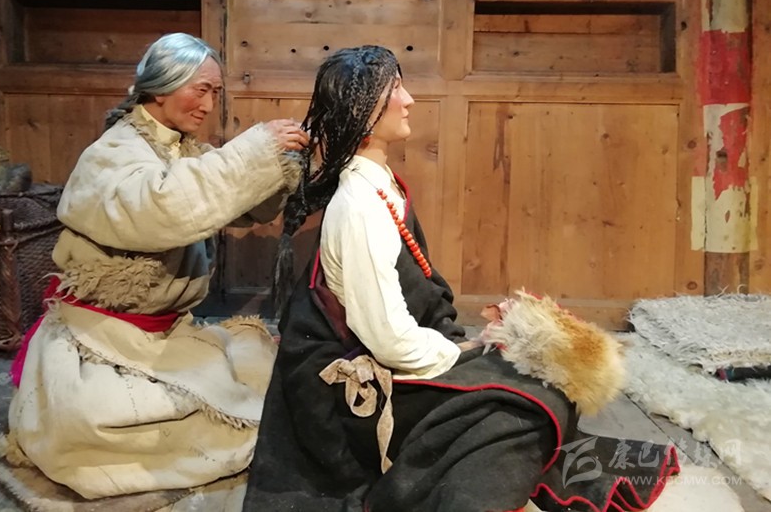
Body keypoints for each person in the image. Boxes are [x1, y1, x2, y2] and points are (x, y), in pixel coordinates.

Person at [243, 45, 679, 512]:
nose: (409, 100)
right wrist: (464, 351)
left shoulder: (380, 183)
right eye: (395, 90)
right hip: (369, 390)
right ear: (363, 110)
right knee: (527, 404)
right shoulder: (358, 206)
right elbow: (388, 340)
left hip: (403, 351)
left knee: (549, 383)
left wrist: (470, 346)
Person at [0, 32, 309, 499]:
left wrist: (281, 164)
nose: (208, 105)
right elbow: (164, 208)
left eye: (215, 92)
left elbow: (237, 201)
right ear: (161, 87)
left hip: (166, 330)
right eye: (199, 90)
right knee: (96, 425)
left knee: (262, 382)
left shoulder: (182, 149)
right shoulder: (111, 154)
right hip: (103, 334)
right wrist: (253, 150)